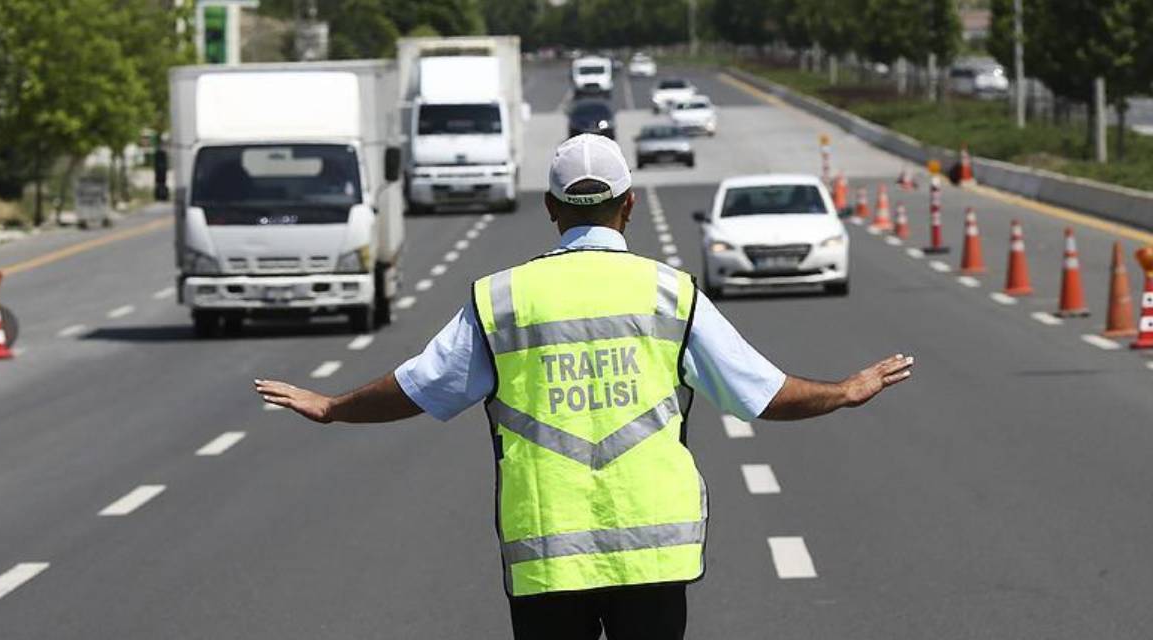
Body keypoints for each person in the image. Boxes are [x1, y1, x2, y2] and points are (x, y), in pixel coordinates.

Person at [255, 134, 914, 640]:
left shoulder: (503, 300)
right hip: (655, 554)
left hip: (547, 553)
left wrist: (332, 407)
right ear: (628, 205)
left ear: (551, 209)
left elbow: (420, 387)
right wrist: (845, 390)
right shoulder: (669, 293)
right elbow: (761, 395)